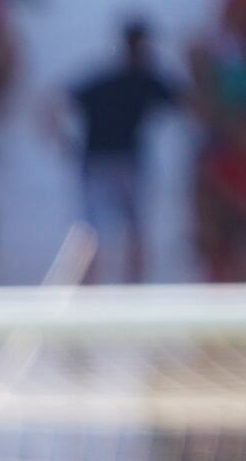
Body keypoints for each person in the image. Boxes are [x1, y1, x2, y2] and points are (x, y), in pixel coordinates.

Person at [61, 18, 182, 284]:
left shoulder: (138, 80)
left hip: (120, 162)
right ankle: (102, 288)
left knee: (123, 229)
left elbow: (184, 102)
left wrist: (63, 142)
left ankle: (127, 288)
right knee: (98, 231)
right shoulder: (128, 80)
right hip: (106, 162)